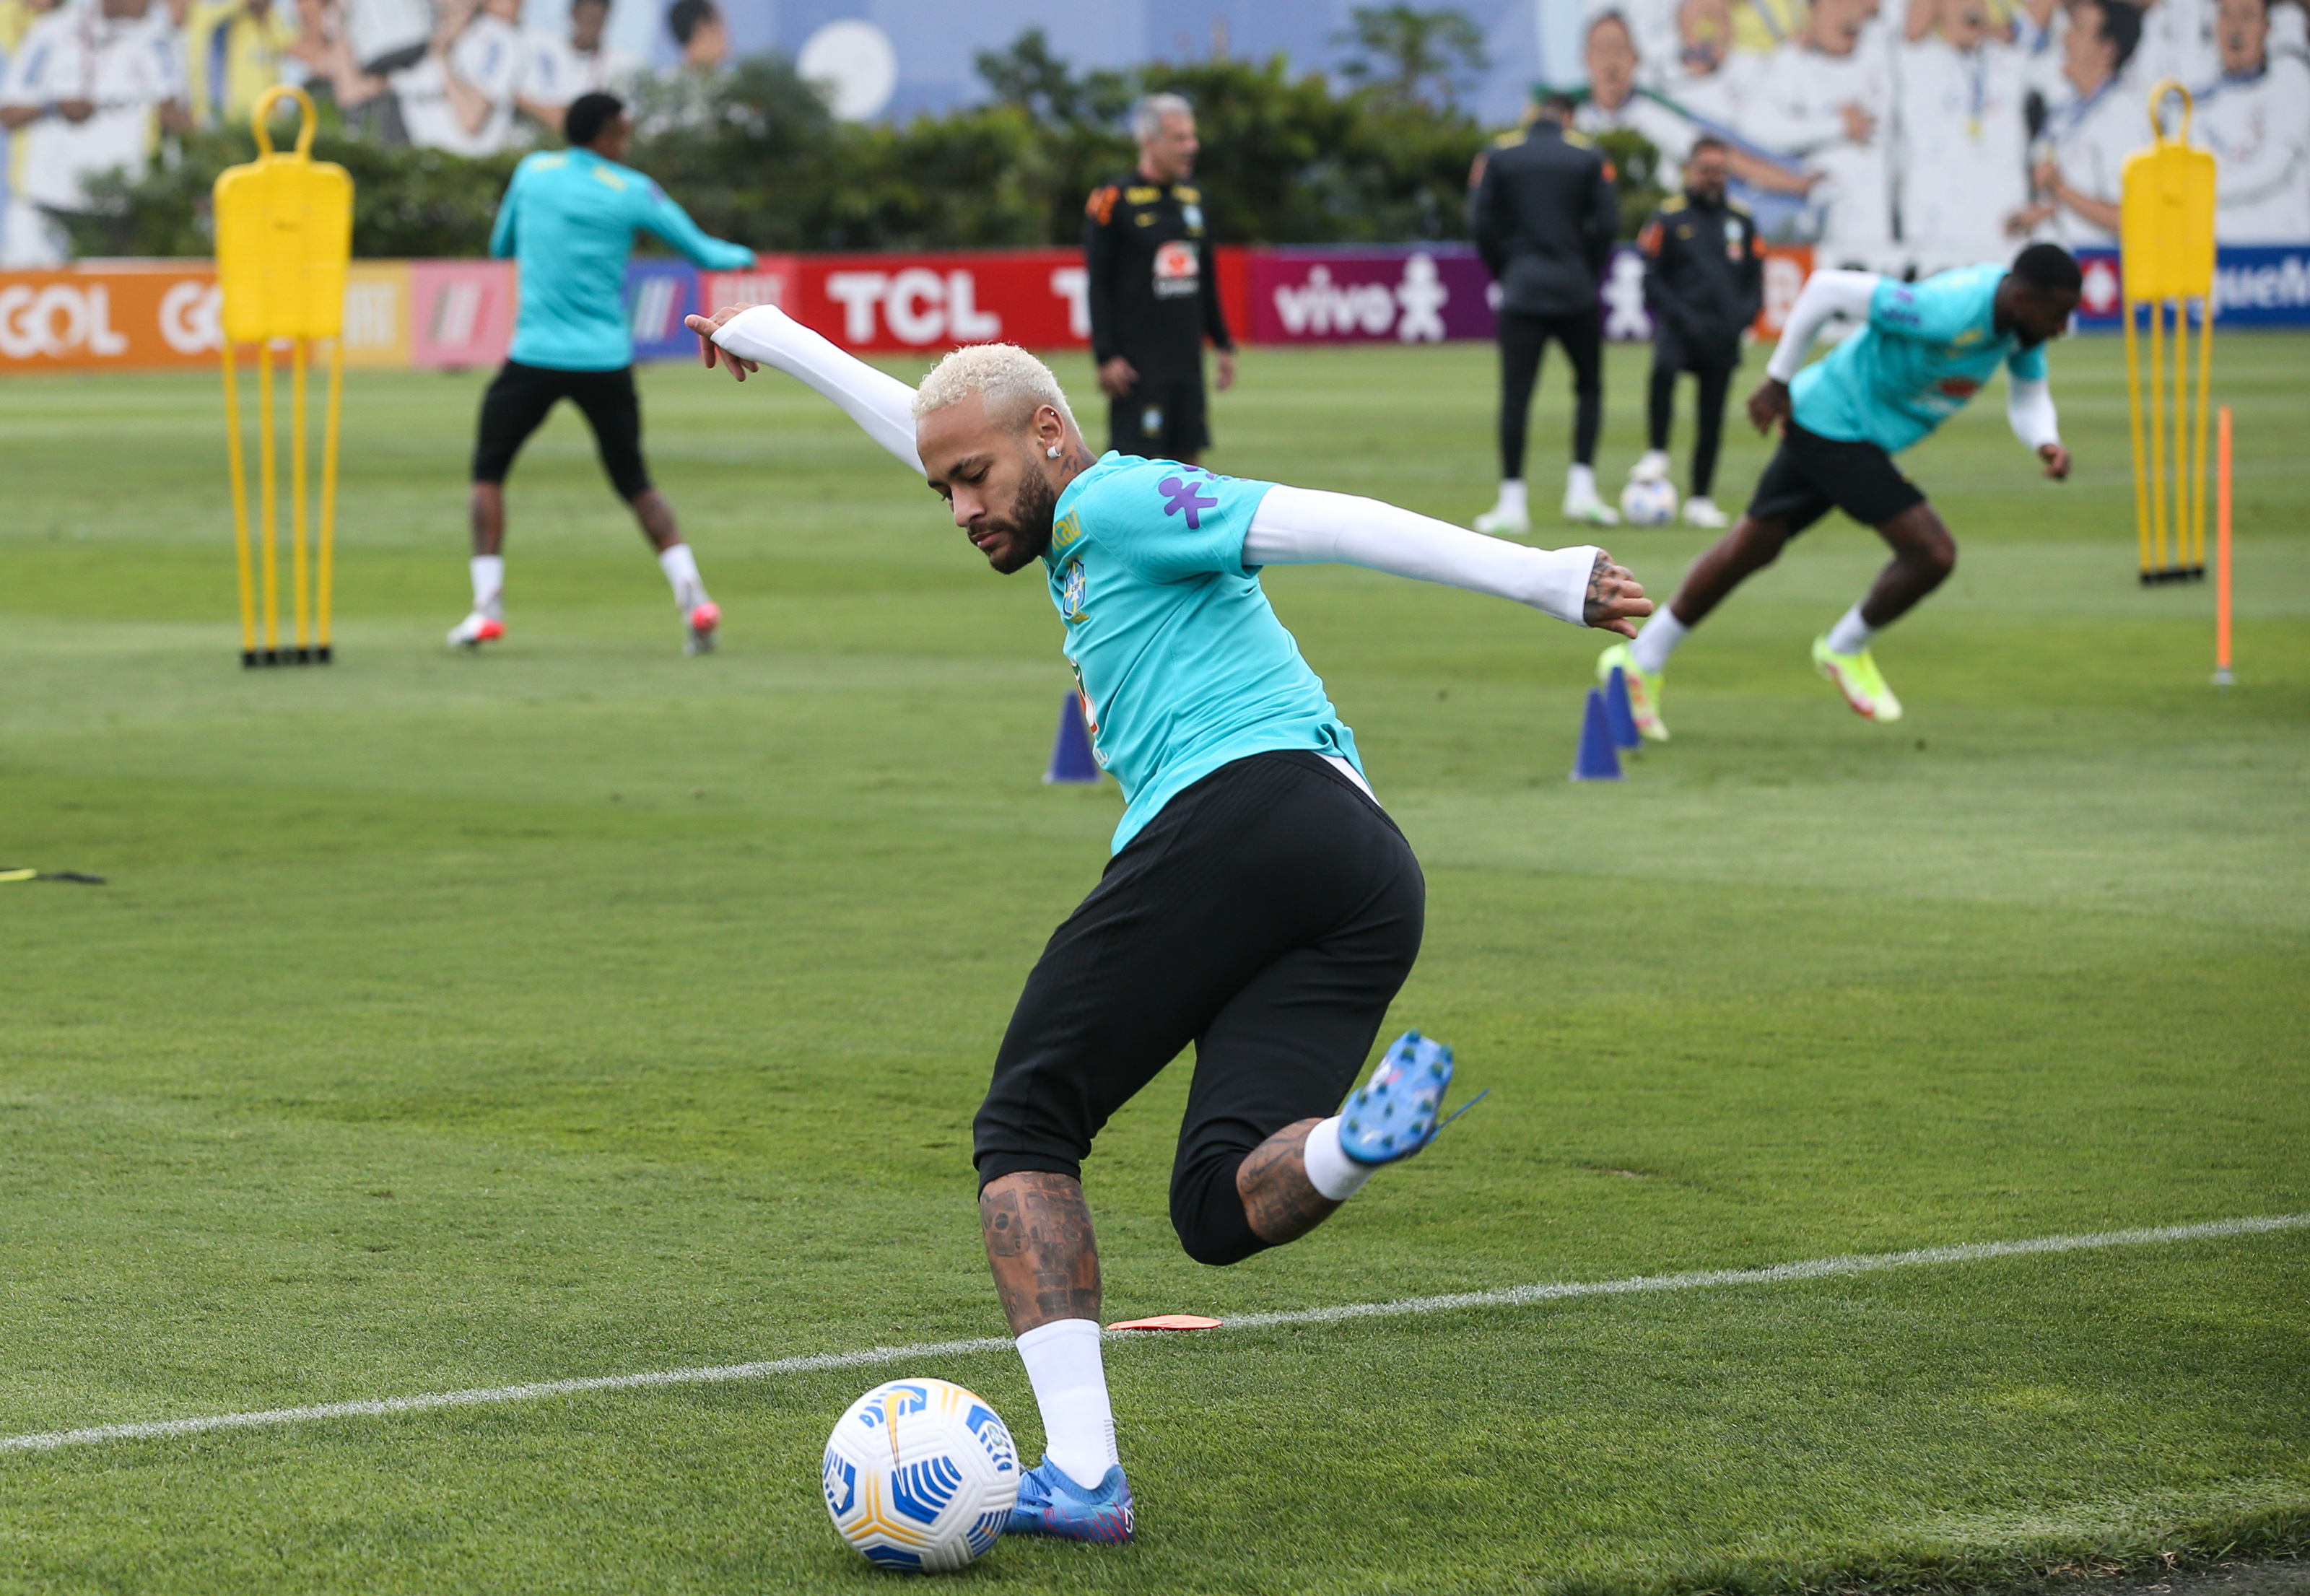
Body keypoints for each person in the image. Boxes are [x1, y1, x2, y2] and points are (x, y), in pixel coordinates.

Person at [679, 300, 1650, 1543]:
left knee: (1027, 1124)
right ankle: (1355, 1140)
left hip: (1236, 809)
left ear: (1049, 434)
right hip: (1361, 871)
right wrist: (780, 335)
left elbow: (1324, 520)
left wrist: (1545, 576)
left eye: (975, 478)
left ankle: (1083, 1479)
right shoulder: (1056, 511)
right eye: (943, 493)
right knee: (1212, 1208)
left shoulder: (1117, 499)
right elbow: (917, 421)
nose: (964, 508)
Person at [1600, 243, 2080, 737]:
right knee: (1932, 553)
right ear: (2023, 298)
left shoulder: (2021, 332)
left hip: (1847, 427)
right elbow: (1825, 288)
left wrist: (2046, 441)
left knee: (1752, 547)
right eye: (2059, 315)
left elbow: (2029, 397)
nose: (2062, 328)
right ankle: (1844, 648)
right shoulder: (1947, 308)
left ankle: (1638, 659)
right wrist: (1777, 379)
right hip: (1835, 426)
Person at [448, 91, 754, 654]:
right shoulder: (634, 190)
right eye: (625, 130)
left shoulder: (532, 171)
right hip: (605, 361)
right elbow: (707, 254)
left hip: (533, 356)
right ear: (609, 135)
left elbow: (500, 245)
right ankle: (694, 597)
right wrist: (745, 255)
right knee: (634, 481)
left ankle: (485, 607)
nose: (628, 140)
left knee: (488, 473)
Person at [1469, 89, 1621, 531]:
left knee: (1516, 396)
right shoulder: (1589, 154)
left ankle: (1512, 502)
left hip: (1522, 288)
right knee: (1589, 387)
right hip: (1575, 287)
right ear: (1568, 117)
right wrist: (1584, 268)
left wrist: (1507, 269)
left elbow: (1480, 222)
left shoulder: (1500, 153)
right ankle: (1582, 490)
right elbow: (1608, 224)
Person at [1082, 92, 1237, 466]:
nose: (1191, 146)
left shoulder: (1194, 196)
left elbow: (1207, 277)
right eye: (1179, 138)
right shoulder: (1111, 199)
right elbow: (1097, 282)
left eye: (1192, 137)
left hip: (1185, 358)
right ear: (1148, 141)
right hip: (1137, 364)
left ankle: (1186, 528)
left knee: (1190, 465)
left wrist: (1222, 342)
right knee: (1134, 466)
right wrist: (1106, 355)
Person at [1632, 136, 1764, 528]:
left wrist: (1741, 318)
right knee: (1662, 375)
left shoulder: (1740, 219)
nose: (1713, 178)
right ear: (1691, 170)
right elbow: (1651, 277)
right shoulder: (1669, 216)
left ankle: (1701, 498)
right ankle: (1657, 449)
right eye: (1706, 170)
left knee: (1712, 416)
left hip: (1722, 333)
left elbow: (1755, 279)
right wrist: (1679, 315)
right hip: (1679, 326)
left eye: (1720, 171)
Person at [0, 0, 188, 267]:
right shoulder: (51, 32)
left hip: (121, 209)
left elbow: (180, 121)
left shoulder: (158, 41)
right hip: (47, 208)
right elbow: (8, 114)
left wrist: (169, 105)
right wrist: (55, 107)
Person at [1894, 0, 2030, 266]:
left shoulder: (2008, 61)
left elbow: (2032, 24)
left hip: (2000, 237)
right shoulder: (1920, 61)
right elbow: (1914, 28)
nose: (1970, 7)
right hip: (1934, 237)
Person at [2006, 0, 2144, 245]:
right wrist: (2042, 215)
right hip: (2065, 266)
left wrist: (2060, 190)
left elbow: (2134, 219)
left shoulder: (2123, 116)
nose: (2066, 38)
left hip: (2104, 273)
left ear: (2107, 49)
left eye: (2078, 29)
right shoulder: (2068, 111)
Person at [2194, 0, 2310, 243]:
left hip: (2283, 261)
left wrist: (2192, 192)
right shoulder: (2196, 102)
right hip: (2215, 261)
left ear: (2268, 27)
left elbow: (2272, 166)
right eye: (2226, 16)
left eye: (2247, 16)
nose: (2235, 28)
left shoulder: (2291, 85)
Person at [517, 0, 637, 135]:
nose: (590, 26)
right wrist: (545, 113)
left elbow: (626, 121)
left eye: (597, 19)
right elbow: (510, 91)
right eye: (586, 16)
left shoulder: (621, 66)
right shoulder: (536, 43)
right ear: (573, 13)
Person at [184, 0, 295, 128]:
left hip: (266, 126)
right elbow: (208, 17)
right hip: (221, 124)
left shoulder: (270, 15)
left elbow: (290, 43)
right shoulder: (213, 14)